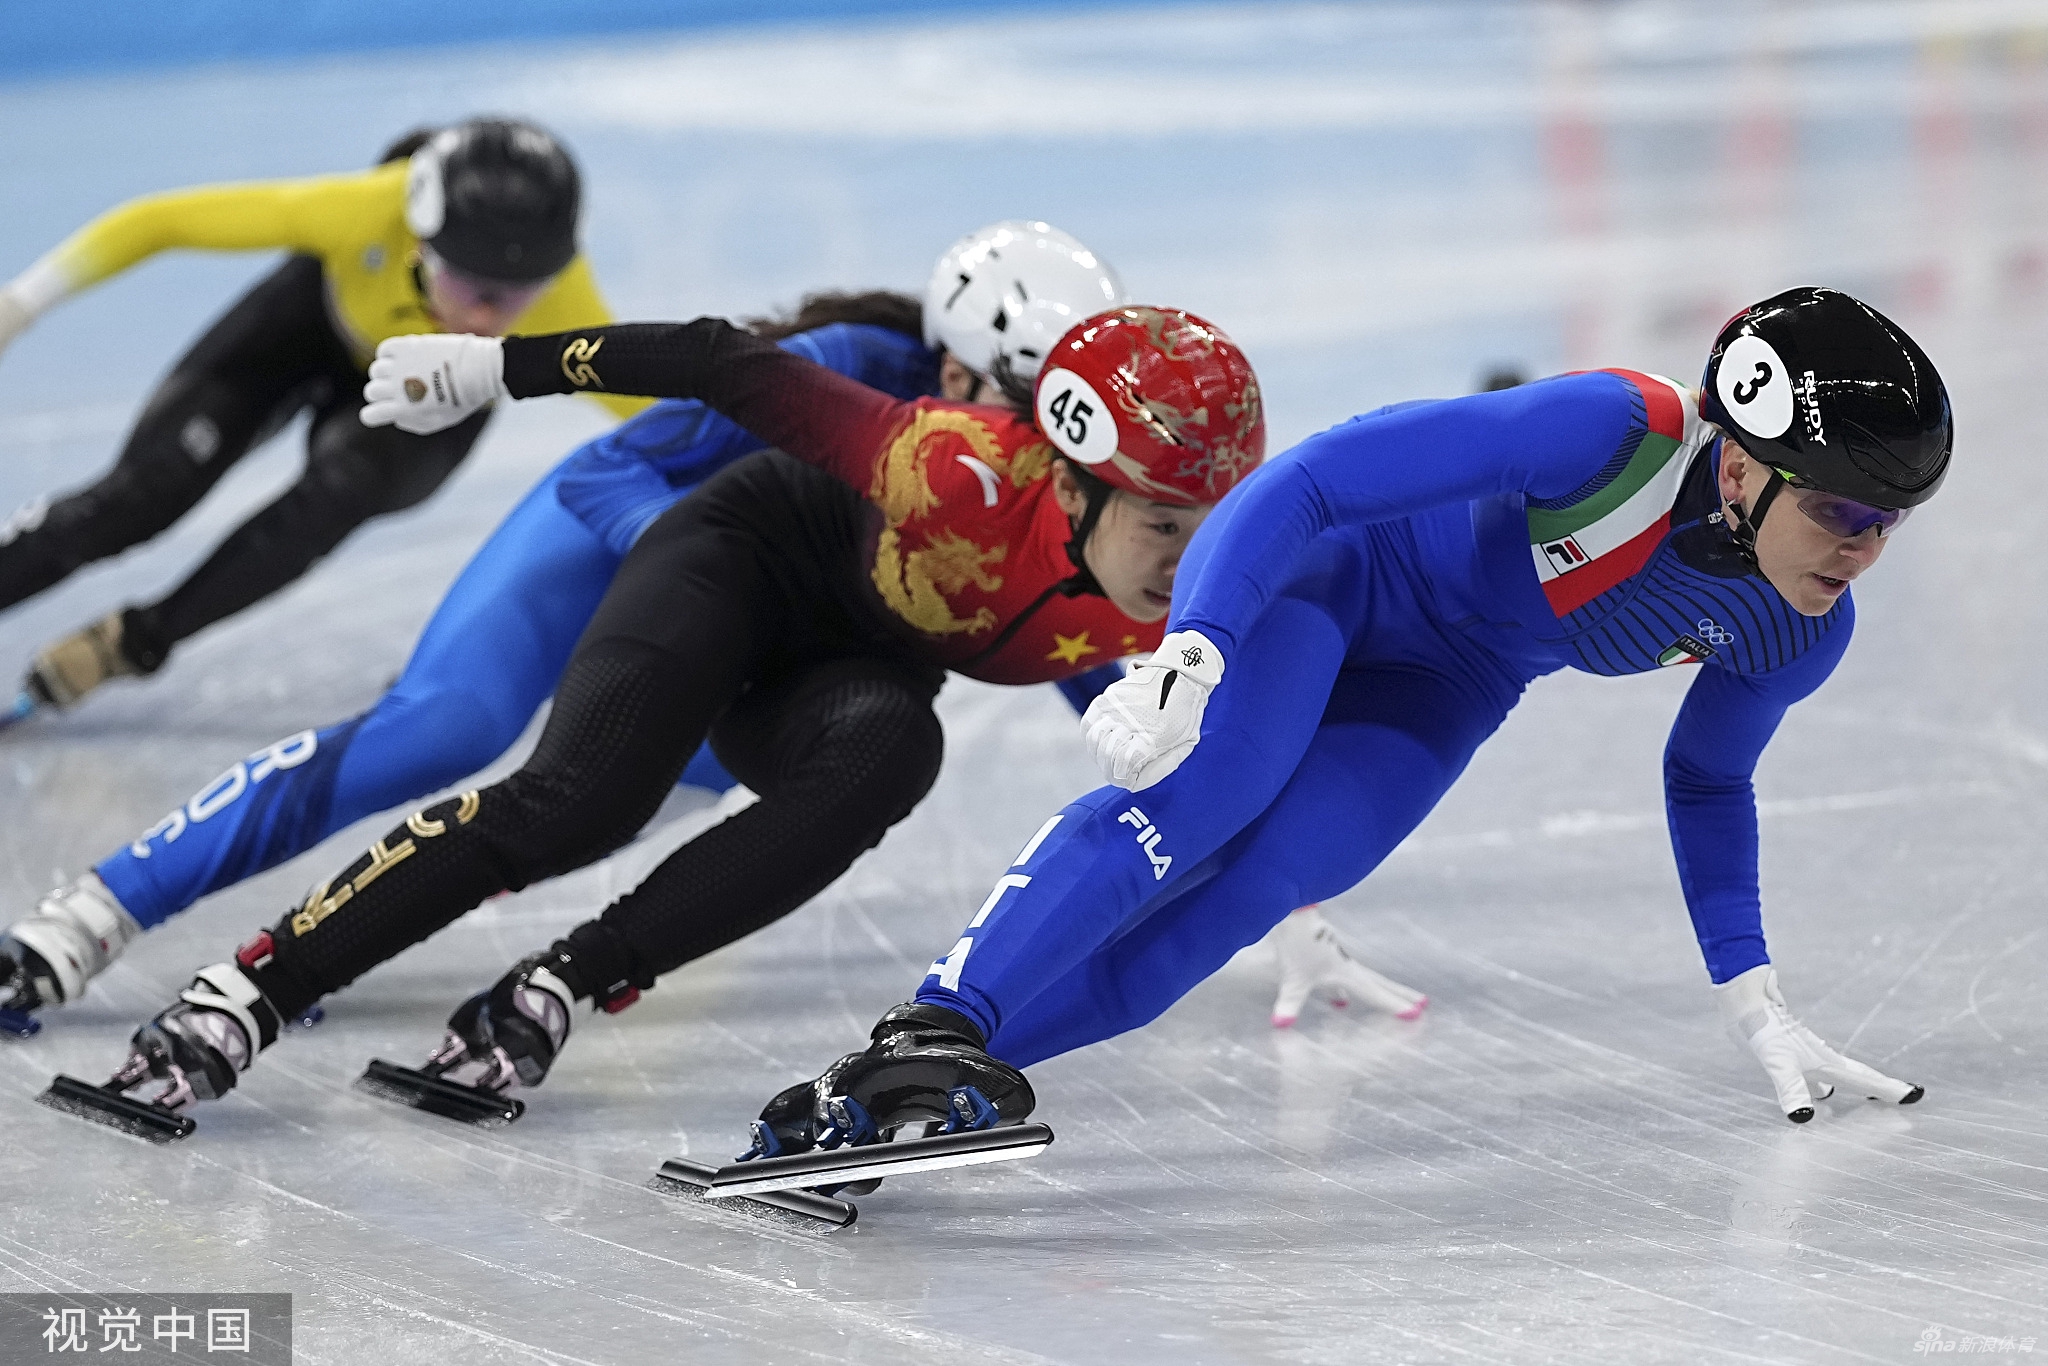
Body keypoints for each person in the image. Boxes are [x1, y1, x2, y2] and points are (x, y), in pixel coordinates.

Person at [734, 286, 1951, 1169]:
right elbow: (1312, 479)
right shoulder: (1613, 431)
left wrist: (1751, 993)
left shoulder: (1800, 626)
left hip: (1450, 686)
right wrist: (1194, 650)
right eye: (1844, 507)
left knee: (1230, 904)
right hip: (1332, 579)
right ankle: (933, 1024)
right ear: (1737, 468)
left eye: (1889, 520)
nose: (1862, 547)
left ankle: (909, 1096)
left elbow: (1704, 782)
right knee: (1207, 797)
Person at [58, 299, 1265, 1123]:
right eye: (1163, 527)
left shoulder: (1185, 597)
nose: (1186, 566)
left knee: (897, 749)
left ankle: (559, 984)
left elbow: (1231, 741)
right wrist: (493, 366)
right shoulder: (946, 464)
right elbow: (718, 364)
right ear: (1068, 480)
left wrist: (1288, 901)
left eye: (1210, 527)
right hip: (735, 568)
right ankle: (254, 986)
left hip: (842, 677)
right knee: (578, 799)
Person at [0, 117, 642, 724]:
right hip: (306, 329)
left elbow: (663, 400)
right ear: (419, 239)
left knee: (342, 489)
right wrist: (22, 302)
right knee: (144, 493)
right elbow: (159, 222)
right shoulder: (366, 209)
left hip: (427, 394)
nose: (487, 315)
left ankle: (133, 643)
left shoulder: (564, 303)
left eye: (522, 293)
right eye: (472, 285)